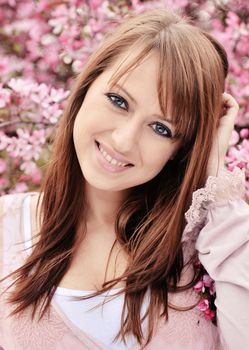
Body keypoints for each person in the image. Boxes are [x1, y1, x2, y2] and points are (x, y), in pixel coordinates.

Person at [0, 8, 249, 350]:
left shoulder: (207, 247)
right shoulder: (6, 229)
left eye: (161, 128)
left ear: (181, 148)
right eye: (118, 101)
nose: (123, 140)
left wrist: (216, 179)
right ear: (87, 86)